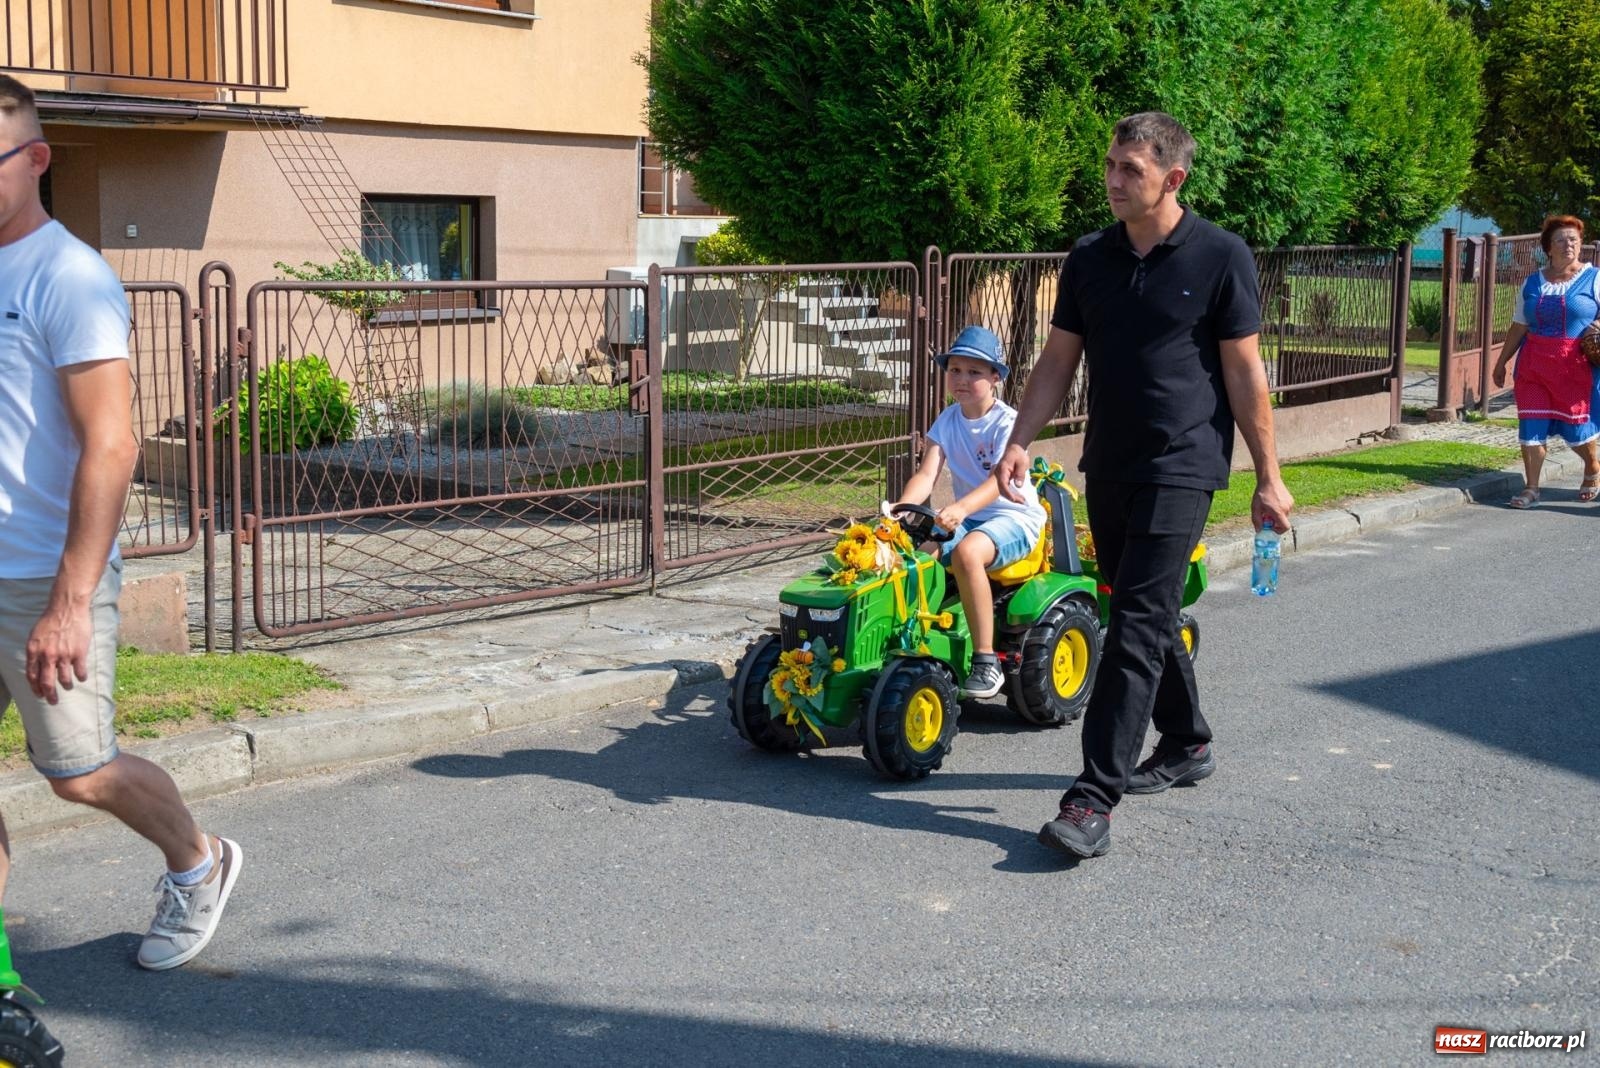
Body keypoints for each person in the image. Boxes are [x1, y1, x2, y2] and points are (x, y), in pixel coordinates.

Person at [993, 112, 1293, 859]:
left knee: (1131, 628)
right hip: (1112, 460)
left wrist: (1270, 478)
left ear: (1173, 177)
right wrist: (1019, 440)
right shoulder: (1090, 258)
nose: (1114, 181)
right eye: (1111, 166)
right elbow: (1058, 359)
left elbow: (1245, 373)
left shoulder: (1221, 255)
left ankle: (1093, 797)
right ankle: (1187, 741)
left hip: (1185, 463)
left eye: (1131, 168)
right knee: (1136, 609)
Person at [0, 74, 242, 970]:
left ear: (36, 159)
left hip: (40, 575)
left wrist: (69, 601)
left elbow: (111, 445)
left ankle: (198, 863)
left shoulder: (69, 275)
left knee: (78, 773)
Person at [893, 325, 1046, 699]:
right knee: (916, 555)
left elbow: (1000, 481)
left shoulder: (1007, 423)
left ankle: (985, 661)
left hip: (1014, 519)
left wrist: (959, 508)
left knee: (967, 552)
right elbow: (927, 474)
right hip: (973, 518)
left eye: (974, 372)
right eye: (955, 370)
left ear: (995, 378)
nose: (962, 379)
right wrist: (898, 511)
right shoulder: (947, 420)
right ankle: (910, 639)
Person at [1490, 215, 1600, 508]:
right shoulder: (1533, 282)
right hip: (1534, 365)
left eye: (1574, 240)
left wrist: (1597, 325)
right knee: (1531, 426)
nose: (1569, 245)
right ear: (1548, 248)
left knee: (1577, 432)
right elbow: (1519, 325)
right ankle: (1532, 488)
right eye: (1562, 240)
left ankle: (1592, 466)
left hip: (1575, 368)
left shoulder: (1594, 278)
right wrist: (1501, 362)